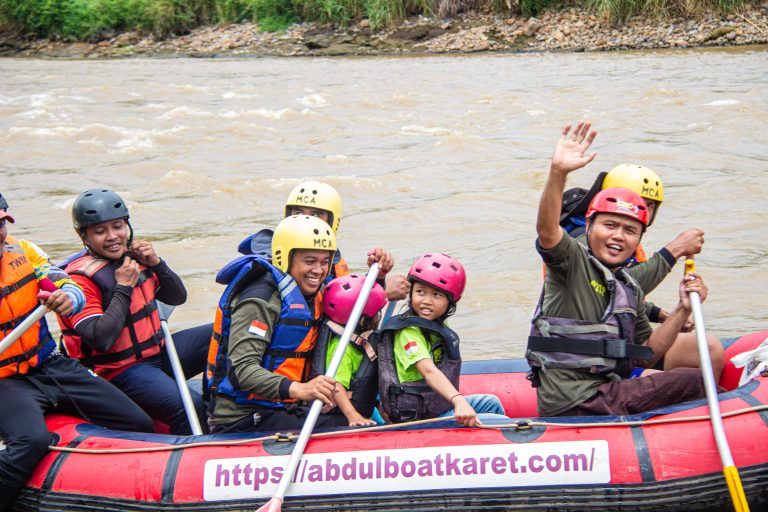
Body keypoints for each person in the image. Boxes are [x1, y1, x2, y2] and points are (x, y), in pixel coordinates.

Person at [526, 120, 708, 417]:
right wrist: (558, 172)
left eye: (629, 230)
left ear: (638, 238)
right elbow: (547, 231)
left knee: (685, 378)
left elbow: (647, 355)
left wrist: (682, 310)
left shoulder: (628, 287)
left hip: (605, 391)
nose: (618, 236)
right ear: (590, 226)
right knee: (696, 380)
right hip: (576, 400)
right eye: (609, 225)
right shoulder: (573, 262)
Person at [0, 196, 153, 511]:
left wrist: (67, 296)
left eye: (1, 224)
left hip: (48, 365)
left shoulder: (24, 250)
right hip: (4, 381)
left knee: (138, 421)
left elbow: (64, 282)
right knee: (31, 441)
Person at [207, 214, 392, 432]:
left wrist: (377, 277)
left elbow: (356, 315)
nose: (319, 271)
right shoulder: (260, 300)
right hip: (246, 417)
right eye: (309, 261)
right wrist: (301, 390)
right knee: (353, 429)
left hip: (285, 407)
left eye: (325, 262)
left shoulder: (313, 291)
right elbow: (242, 370)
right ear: (285, 258)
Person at [56, 189, 210, 435]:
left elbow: (177, 297)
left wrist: (158, 264)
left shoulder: (134, 259)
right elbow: (101, 339)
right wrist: (123, 287)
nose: (112, 236)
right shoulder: (77, 280)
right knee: (189, 406)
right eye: (99, 231)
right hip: (120, 372)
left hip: (158, 354)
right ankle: (192, 449)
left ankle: (233, 411)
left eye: (117, 226)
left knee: (221, 334)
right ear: (84, 236)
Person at [559, 163, 724, 379]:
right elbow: (610, 287)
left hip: (628, 339)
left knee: (709, 348)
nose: (642, 209)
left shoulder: (627, 241)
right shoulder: (583, 242)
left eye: (650, 205)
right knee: (681, 381)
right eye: (635, 201)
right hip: (596, 354)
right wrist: (675, 250)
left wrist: (661, 314)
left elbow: (626, 297)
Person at [378, 253, 507, 426]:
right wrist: (458, 400)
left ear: (450, 302)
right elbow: (428, 371)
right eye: (420, 292)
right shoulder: (408, 332)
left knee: (491, 402)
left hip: (435, 406)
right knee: (497, 422)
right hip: (417, 416)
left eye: (436, 295)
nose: (426, 301)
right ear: (411, 292)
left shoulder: (435, 327)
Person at [238, 180, 409, 301]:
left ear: (333, 222)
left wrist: (376, 277)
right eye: (298, 212)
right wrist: (382, 292)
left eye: (315, 214)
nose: (305, 219)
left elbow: (340, 299)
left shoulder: (331, 262)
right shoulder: (275, 257)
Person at [310, 273, 387, 426]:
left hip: (369, 407)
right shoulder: (342, 349)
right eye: (377, 314)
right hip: (344, 412)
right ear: (363, 321)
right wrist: (352, 415)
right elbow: (335, 384)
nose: (379, 317)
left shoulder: (360, 341)